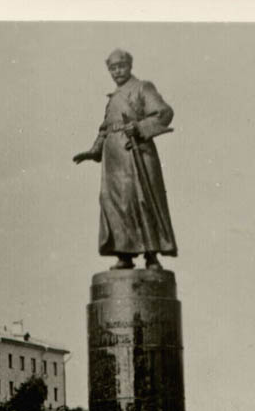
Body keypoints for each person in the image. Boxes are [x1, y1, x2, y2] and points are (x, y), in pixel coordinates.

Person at [74, 49, 177, 270]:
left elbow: (164, 112)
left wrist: (139, 127)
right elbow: (105, 128)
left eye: (120, 66)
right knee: (114, 202)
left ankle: (151, 256)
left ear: (129, 66)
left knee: (141, 199)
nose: (117, 71)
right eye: (112, 68)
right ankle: (124, 254)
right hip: (114, 157)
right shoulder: (113, 99)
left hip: (136, 150)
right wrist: (94, 150)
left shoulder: (142, 87)